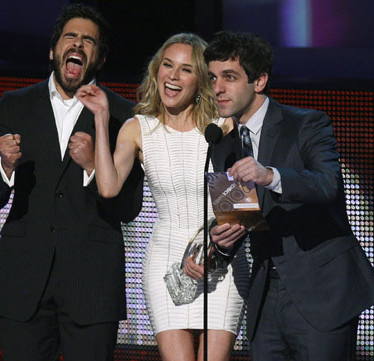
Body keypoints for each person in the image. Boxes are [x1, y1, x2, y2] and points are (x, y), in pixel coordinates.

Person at [203, 31, 374, 361]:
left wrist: (270, 175)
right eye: (214, 77)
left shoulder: (305, 123)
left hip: (321, 292)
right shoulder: (225, 146)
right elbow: (241, 222)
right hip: (265, 297)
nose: (217, 88)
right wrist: (223, 241)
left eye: (229, 77)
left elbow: (328, 185)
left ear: (259, 81)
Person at [0, 4, 143, 361]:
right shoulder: (14, 105)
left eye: (89, 41)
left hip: (92, 283)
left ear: (98, 58)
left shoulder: (122, 115)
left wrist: (92, 168)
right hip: (23, 280)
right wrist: (5, 165)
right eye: (71, 37)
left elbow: (128, 208)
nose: (79, 45)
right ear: (53, 50)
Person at [76, 33, 250, 361]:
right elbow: (108, 187)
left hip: (221, 262)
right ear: (156, 71)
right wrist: (101, 118)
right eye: (167, 66)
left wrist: (212, 254)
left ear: (201, 80)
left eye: (185, 69)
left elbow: (239, 212)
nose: (172, 75)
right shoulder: (138, 127)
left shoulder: (222, 127)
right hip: (167, 265)